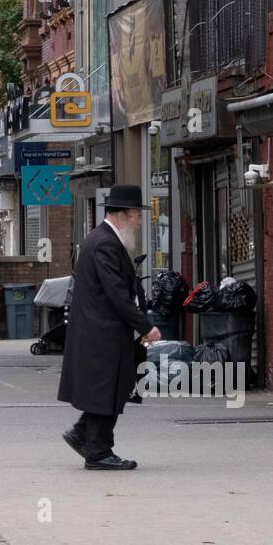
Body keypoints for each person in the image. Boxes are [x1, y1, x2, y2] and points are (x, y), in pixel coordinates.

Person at [58, 184, 161, 470]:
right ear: (124, 214)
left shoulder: (104, 239)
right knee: (108, 388)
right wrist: (145, 326)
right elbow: (116, 292)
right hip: (100, 332)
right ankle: (99, 452)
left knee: (110, 387)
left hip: (101, 330)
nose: (140, 222)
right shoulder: (104, 242)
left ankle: (83, 434)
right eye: (137, 215)